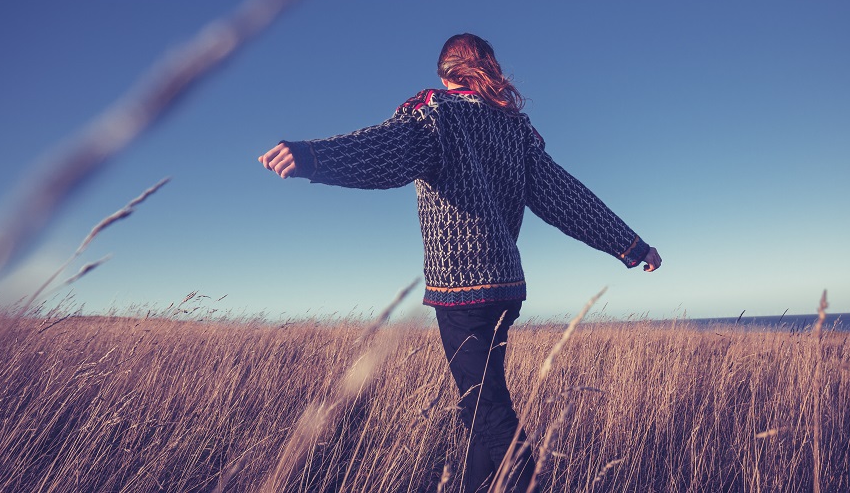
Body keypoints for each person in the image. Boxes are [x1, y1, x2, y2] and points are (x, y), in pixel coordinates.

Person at [259, 33, 661, 493]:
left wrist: (311, 156)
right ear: (485, 67)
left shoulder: (437, 115)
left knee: (488, 410)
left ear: (443, 73)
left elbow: (385, 154)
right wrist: (630, 245)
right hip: (505, 290)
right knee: (477, 408)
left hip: (463, 294)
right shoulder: (515, 130)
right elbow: (564, 196)